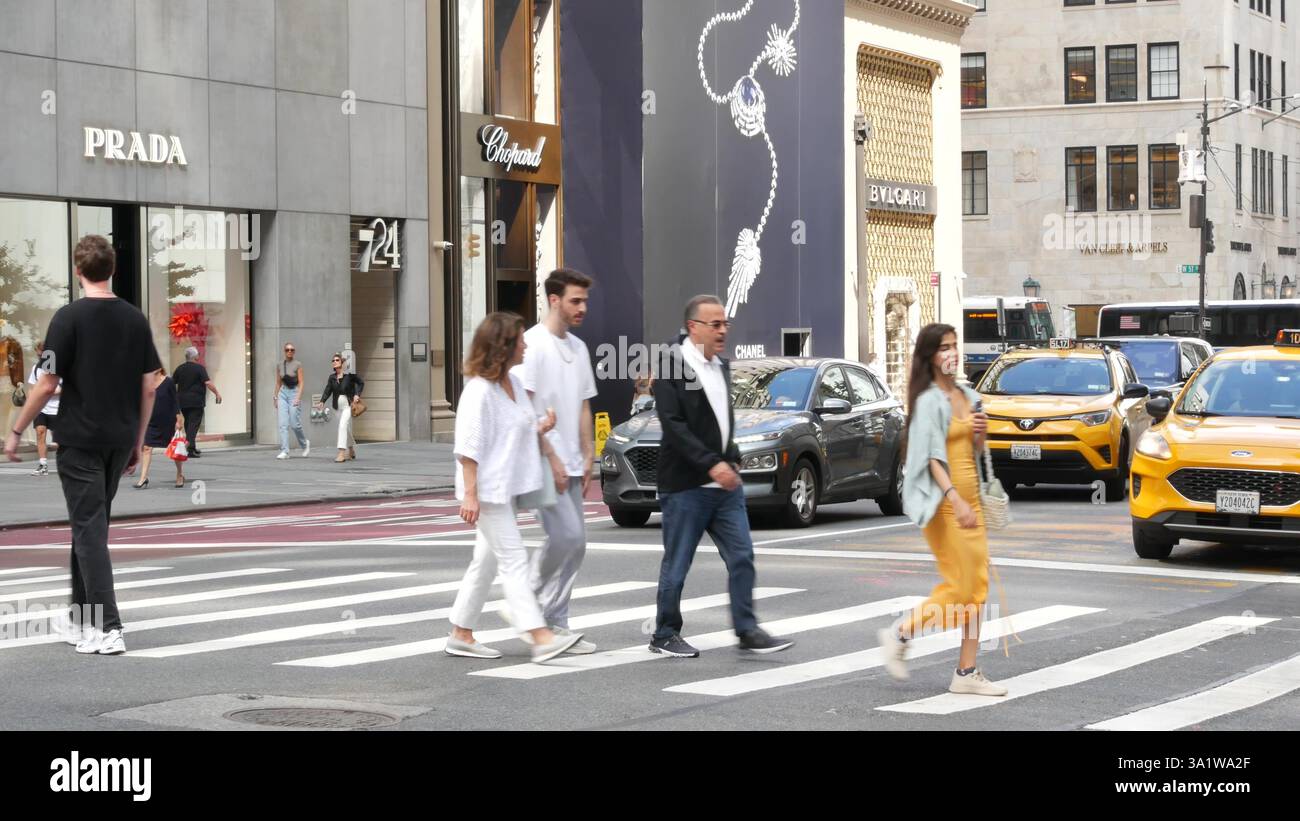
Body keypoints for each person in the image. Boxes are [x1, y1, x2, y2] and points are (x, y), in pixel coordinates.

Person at [3, 234, 164, 656]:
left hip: (78, 439)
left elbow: (47, 382)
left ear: (78, 271)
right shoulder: (134, 319)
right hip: (117, 439)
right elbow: (149, 386)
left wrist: (17, 428)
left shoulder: (67, 319)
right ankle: (81, 619)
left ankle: (108, 627)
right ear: (112, 269)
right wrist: (138, 438)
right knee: (89, 525)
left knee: (89, 530)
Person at [648, 295, 794, 657]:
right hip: (686, 485)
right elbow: (674, 425)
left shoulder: (720, 366)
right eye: (716, 324)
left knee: (742, 556)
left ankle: (747, 629)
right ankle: (664, 634)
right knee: (678, 564)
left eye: (726, 323)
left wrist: (734, 457)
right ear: (693, 327)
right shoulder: (671, 364)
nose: (723, 330)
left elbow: (720, 419)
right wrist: (711, 464)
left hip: (724, 486)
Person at [445, 312, 584, 663]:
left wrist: (542, 426)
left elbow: (518, 427)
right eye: (520, 340)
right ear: (503, 347)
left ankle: (461, 632)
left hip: (504, 488)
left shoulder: (514, 384)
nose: (525, 345)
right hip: (487, 491)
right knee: (513, 558)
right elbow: (468, 447)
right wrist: (472, 495)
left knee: (486, 562)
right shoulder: (479, 391)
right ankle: (538, 635)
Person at [878, 322, 1008, 696]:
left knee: (977, 589)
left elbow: (975, 452)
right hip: (946, 505)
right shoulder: (928, 400)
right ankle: (900, 633)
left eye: (954, 345)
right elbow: (931, 457)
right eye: (943, 347)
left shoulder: (967, 393)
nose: (951, 353)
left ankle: (966, 673)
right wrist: (954, 498)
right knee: (960, 586)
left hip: (973, 503)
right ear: (930, 356)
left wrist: (980, 432)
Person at [513, 269, 598, 653]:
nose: (582, 307)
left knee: (576, 545)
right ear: (553, 300)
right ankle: (526, 603)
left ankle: (556, 621)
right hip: (541, 458)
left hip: (572, 459)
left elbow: (582, 402)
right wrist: (552, 455)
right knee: (566, 536)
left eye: (584, 300)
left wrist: (589, 450)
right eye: (575, 300)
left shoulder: (579, 348)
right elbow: (521, 406)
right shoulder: (532, 344)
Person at [133, 368, 185, 489]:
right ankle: (143, 478)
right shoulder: (146, 382)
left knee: (175, 450)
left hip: (168, 421)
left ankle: (179, 474)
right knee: (146, 447)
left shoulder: (168, 382)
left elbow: (175, 401)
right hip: (151, 421)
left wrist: (178, 419)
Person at [172, 347, 221, 457]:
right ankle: (189, 449)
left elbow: (172, 383)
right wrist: (217, 393)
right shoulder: (199, 368)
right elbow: (207, 383)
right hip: (196, 401)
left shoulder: (180, 368)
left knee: (189, 423)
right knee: (193, 424)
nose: (199, 355)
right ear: (195, 357)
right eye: (198, 354)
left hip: (183, 401)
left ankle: (192, 446)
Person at [316, 353, 364, 463]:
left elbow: (360, 383)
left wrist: (357, 394)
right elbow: (328, 390)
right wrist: (322, 401)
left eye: (337, 360)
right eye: (333, 360)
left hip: (348, 406)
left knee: (342, 426)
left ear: (342, 363)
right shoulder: (332, 377)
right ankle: (351, 449)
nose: (334, 362)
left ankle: (342, 453)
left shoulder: (349, 376)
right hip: (336, 407)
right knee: (345, 428)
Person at [27, 339, 62, 477]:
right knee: (40, 432)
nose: (40, 353)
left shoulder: (59, 368)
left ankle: (64, 463)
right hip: (40, 408)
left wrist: (46, 391)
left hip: (57, 408)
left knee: (59, 439)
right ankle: (43, 465)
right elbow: (32, 388)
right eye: (38, 351)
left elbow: (61, 389)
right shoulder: (36, 368)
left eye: (43, 350)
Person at [273, 342, 310, 459]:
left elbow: (301, 382)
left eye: (292, 350)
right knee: (283, 424)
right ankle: (285, 451)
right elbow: (278, 382)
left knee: (294, 423)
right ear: (284, 351)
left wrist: (298, 397)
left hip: (294, 392)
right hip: (283, 393)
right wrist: (275, 397)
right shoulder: (279, 365)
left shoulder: (297, 364)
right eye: (287, 350)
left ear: (294, 351)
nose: (289, 351)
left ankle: (305, 444)